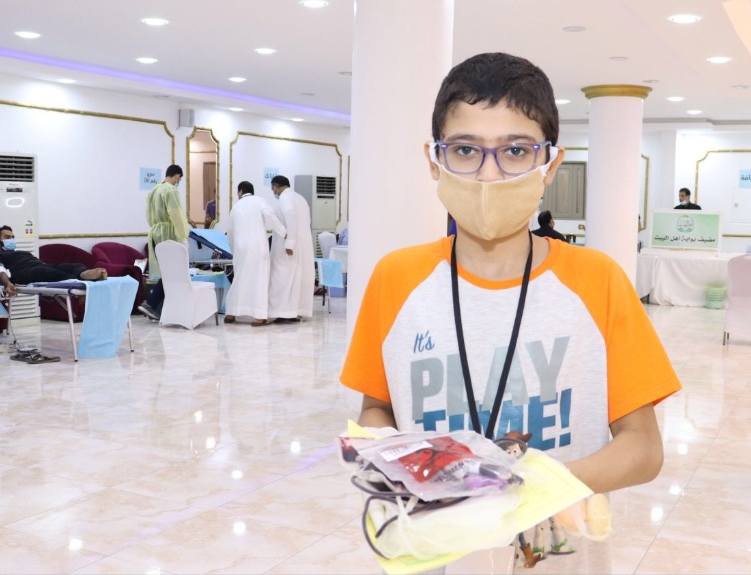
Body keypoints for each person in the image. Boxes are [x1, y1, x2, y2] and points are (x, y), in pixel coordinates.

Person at [340, 52, 681, 572]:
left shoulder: (598, 280)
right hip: (436, 548)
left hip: (561, 556)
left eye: (516, 151)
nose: (489, 174)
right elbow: (377, 409)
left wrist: (534, 488)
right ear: (434, 160)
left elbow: (644, 448)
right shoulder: (396, 278)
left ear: (550, 164)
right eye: (465, 150)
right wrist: (390, 456)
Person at [223, 181, 286, 326]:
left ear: (240, 191)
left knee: (239, 278)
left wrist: (234, 250)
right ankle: (258, 317)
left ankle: (231, 313)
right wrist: (283, 232)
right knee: (259, 279)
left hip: (240, 247)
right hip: (257, 246)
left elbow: (230, 232)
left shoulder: (236, 207)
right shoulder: (260, 201)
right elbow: (270, 216)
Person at [0, 226, 107, 297]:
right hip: (23, 272)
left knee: (71, 266)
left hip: (40, 266)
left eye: (12, 237)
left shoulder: (23, 252)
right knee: (47, 271)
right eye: (7, 237)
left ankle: (85, 274)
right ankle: (81, 284)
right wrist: (7, 283)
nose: (11, 240)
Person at [138, 165, 188, 320]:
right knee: (171, 272)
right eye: (179, 179)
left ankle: (158, 306)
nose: (178, 182)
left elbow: (148, 215)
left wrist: (156, 228)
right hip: (167, 234)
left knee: (167, 271)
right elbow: (175, 213)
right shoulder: (170, 190)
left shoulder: (153, 191)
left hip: (154, 233)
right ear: (177, 176)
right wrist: (183, 234)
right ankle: (152, 304)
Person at [267, 175, 314, 322]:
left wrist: (290, 243)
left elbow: (291, 217)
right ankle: (294, 311)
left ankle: (283, 312)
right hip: (303, 244)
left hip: (288, 246)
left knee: (282, 277)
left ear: (276, 186)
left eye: (273, 188)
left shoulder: (285, 198)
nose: (273, 191)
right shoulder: (300, 198)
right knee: (297, 278)